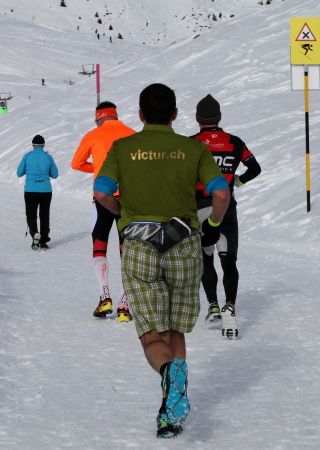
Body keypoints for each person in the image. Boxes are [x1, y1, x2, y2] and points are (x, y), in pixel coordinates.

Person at [93, 83, 230, 438]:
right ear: (175, 115)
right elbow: (221, 193)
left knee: (152, 333)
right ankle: (171, 412)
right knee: (175, 328)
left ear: (140, 115)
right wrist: (213, 226)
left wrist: (121, 212)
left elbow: (101, 192)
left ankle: (169, 376)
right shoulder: (194, 149)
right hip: (184, 243)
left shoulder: (123, 148)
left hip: (140, 246)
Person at [191, 94, 261, 323]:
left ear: (197, 119)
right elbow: (255, 168)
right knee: (228, 260)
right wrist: (237, 181)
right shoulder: (235, 142)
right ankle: (229, 306)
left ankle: (213, 306)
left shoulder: (192, 143)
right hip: (227, 206)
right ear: (219, 117)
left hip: (200, 206)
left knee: (206, 258)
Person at [71, 101, 136, 322]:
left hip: (101, 198)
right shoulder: (132, 134)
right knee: (128, 249)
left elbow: (76, 163)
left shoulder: (93, 135)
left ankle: (104, 297)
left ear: (99, 117)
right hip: (128, 199)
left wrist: (98, 168)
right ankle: (124, 305)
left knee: (99, 245)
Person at [16, 135, 59, 250]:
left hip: (30, 189)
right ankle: (43, 241)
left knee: (31, 214)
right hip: (46, 190)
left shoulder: (27, 156)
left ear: (33, 145)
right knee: (44, 215)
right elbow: (55, 175)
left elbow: (19, 173)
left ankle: (35, 233)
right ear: (43, 145)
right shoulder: (48, 157)